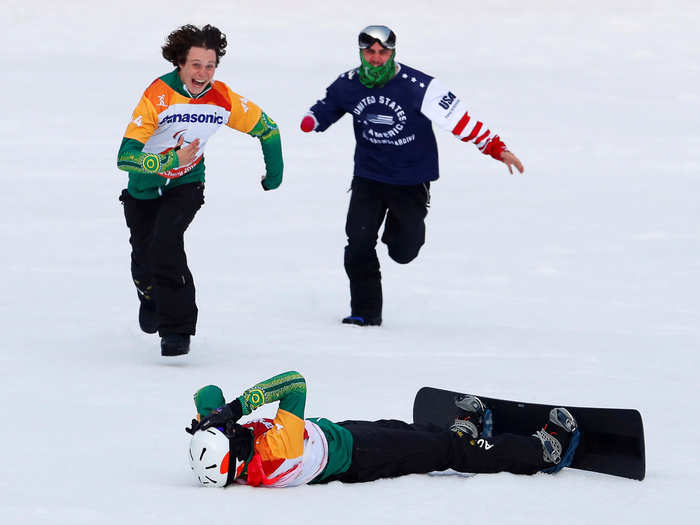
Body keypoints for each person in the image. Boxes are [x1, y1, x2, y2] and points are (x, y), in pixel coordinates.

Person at [300, 25, 525, 326]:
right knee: (358, 241)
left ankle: (398, 230)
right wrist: (314, 119)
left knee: (404, 252)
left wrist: (495, 148)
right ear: (361, 52)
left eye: (383, 52)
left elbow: (461, 121)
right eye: (370, 52)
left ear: (392, 52)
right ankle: (365, 313)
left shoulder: (419, 86)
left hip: (410, 179)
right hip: (369, 175)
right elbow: (330, 104)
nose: (376, 58)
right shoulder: (349, 83)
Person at [117, 24, 283, 356]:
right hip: (144, 189)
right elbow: (126, 158)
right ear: (180, 62)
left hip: (187, 184)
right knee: (144, 259)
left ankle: (177, 332)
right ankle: (149, 295)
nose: (203, 73)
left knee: (167, 244)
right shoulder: (158, 96)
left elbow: (268, 129)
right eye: (196, 64)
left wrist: (274, 174)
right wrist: (165, 161)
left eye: (210, 66)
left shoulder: (222, 97)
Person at [185, 371, 579, 487]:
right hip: (360, 456)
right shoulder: (273, 451)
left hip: (341, 435)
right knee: (444, 454)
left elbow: (207, 392)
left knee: (415, 433)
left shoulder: (236, 456)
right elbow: (295, 383)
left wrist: (211, 416)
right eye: (228, 434)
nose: (233, 429)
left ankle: (460, 433)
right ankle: (541, 453)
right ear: (236, 457)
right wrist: (235, 408)